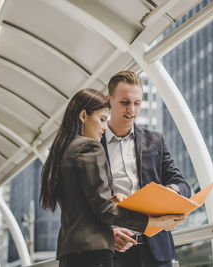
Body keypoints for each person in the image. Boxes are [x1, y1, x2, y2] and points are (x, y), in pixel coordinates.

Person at [39, 88, 186, 267]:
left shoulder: (64, 150)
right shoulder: (89, 147)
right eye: (101, 119)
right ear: (84, 116)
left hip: (71, 253)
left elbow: (81, 201)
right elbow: (104, 209)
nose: (105, 126)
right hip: (93, 254)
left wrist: (115, 199)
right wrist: (156, 222)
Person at [101, 71, 191, 267]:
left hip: (156, 252)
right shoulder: (93, 145)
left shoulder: (155, 141)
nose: (131, 109)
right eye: (125, 102)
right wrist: (107, 232)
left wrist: (172, 191)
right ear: (109, 100)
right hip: (114, 251)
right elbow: (83, 202)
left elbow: (182, 183)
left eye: (137, 103)